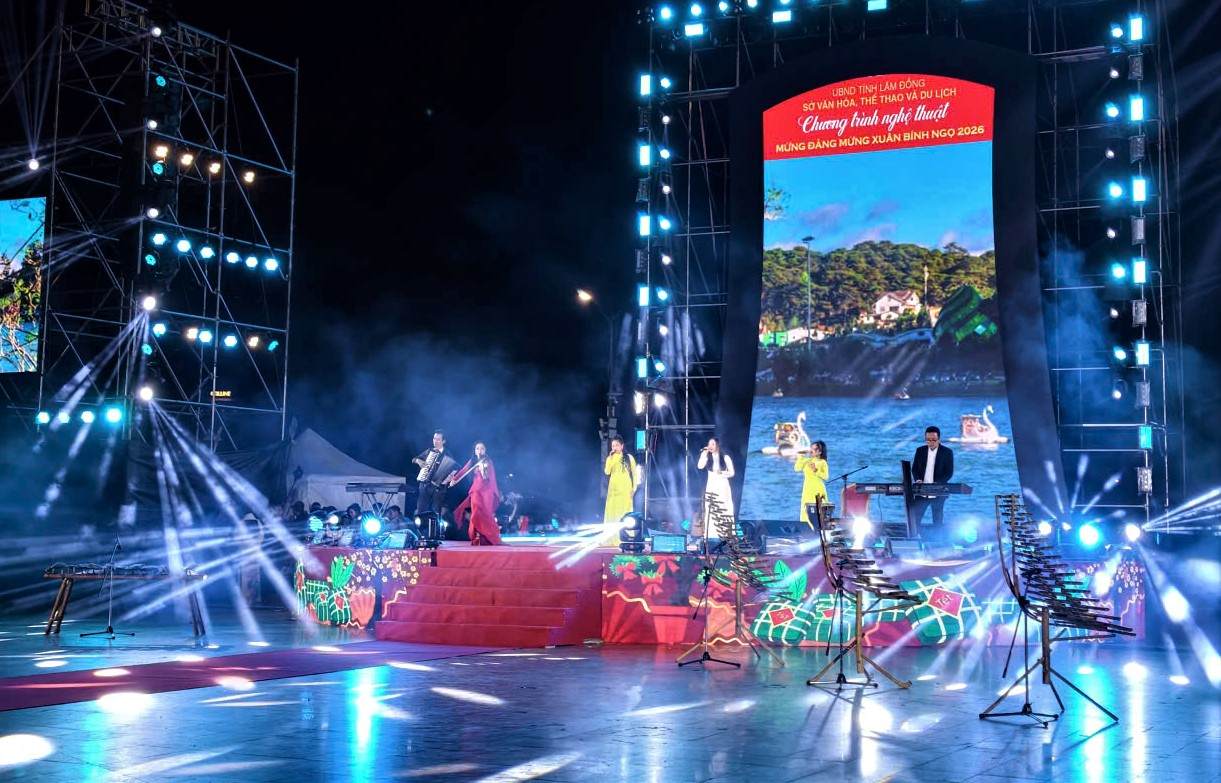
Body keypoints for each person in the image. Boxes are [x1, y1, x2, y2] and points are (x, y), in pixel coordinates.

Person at [450, 442, 502, 546]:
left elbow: (488, 478)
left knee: (486, 514)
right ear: (474, 451)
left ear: (485, 450)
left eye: (482, 448)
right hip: (476, 491)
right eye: (477, 448)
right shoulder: (472, 461)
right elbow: (463, 470)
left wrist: (483, 470)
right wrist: (454, 479)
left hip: (487, 491)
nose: (479, 450)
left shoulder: (488, 461)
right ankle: (475, 536)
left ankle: (488, 538)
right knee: (475, 513)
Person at [909, 425, 955, 538]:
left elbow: (949, 472)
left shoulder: (947, 452)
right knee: (915, 517)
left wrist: (938, 483)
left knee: (937, 518)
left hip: (938, 491)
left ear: (939, 439)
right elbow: (914, 469)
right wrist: (917, 479)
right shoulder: (920, 450)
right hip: (921, 491)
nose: (931, 442)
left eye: (933, 440)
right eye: (928, 440)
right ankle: (914, 538)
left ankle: (938, 541)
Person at [602, 435, 638, 543]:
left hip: (625, 490)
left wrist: (634, 488)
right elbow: (607, 471)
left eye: (617, 445)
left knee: (625, 513)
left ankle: (626, 538)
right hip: (613, 491)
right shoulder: (610, 458)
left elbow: (634, 474)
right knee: (612, 513)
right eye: (613, 445)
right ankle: (611, 538)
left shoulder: (629, 458)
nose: (614, 447)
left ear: (622, 446)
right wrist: (610, 458)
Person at [413, 429, 457, 516]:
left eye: (438, 439)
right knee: (421, 511)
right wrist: (418, 461)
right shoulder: (429, 451)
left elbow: (453, 470)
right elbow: (414, 459)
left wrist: (450, 478)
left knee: (436, 512)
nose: (435, 441)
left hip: (439, 488)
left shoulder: (448, 454)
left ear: (443, 441)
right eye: (434, 439)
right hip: (425, 485)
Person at [696, 437, 735, 536]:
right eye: (709, 444)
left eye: (713, 444)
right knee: (711, 509)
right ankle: (711, 535)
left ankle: (726, 535)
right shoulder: (707, 457)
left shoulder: (725, 457)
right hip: (711, 485)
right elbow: (700, 466)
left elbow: (732, 473)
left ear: (718, 445)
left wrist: (722, 473)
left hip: (723, 486)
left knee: (724, 508)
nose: (710, 446)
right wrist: (704, 454)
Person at [796, 440, 829, 527]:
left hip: (817, 489)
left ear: (819, 452)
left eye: (814, 449)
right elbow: (797, 468)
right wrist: (801, 457)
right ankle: (806, 530)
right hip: (807, 488)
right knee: (805, 510)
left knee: (816, 511)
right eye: (811, 448)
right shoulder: (807, 460)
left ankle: (818, 530)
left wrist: (816, 470)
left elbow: (826, 477)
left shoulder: (822, 462)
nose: (811, 451)